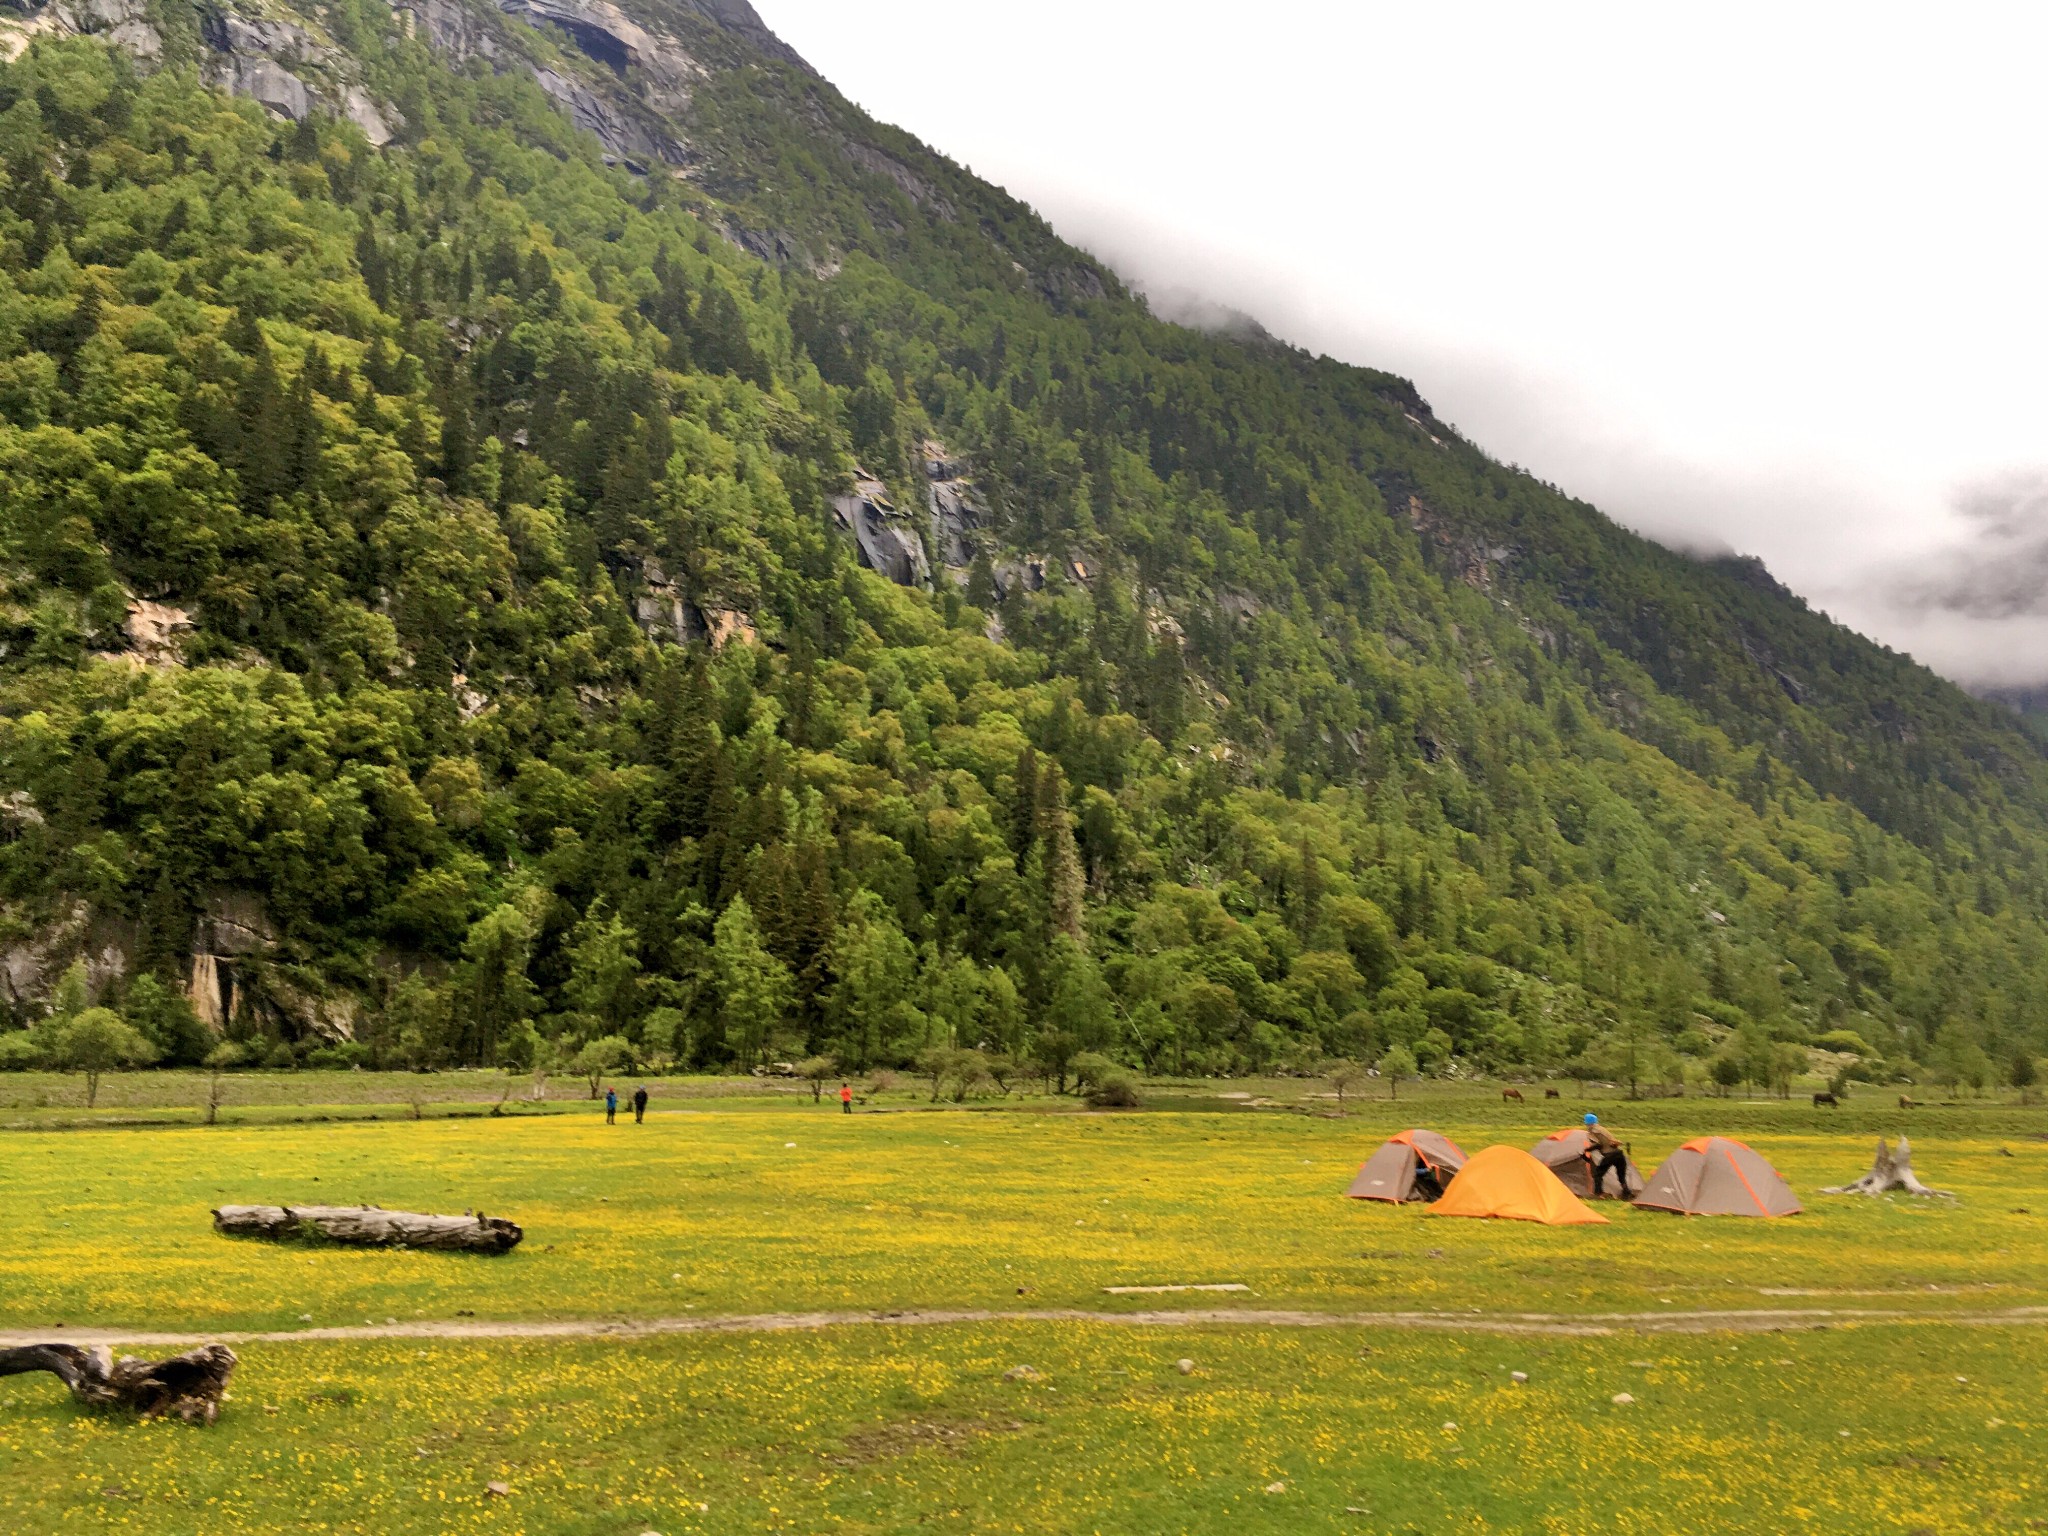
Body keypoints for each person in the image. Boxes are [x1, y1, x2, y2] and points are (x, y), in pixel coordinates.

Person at [1583, 1113, 1630, 1198]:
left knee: (1597, 1174)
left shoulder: (1593, 1131)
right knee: (1621, 1175)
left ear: (1587, 1123)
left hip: (1609, 1155)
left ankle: (1599, 1193)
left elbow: (1598, 1144)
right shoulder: (1602, 1129)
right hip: (1619, 1153)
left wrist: (1587, 1150)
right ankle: (1626, 1192)